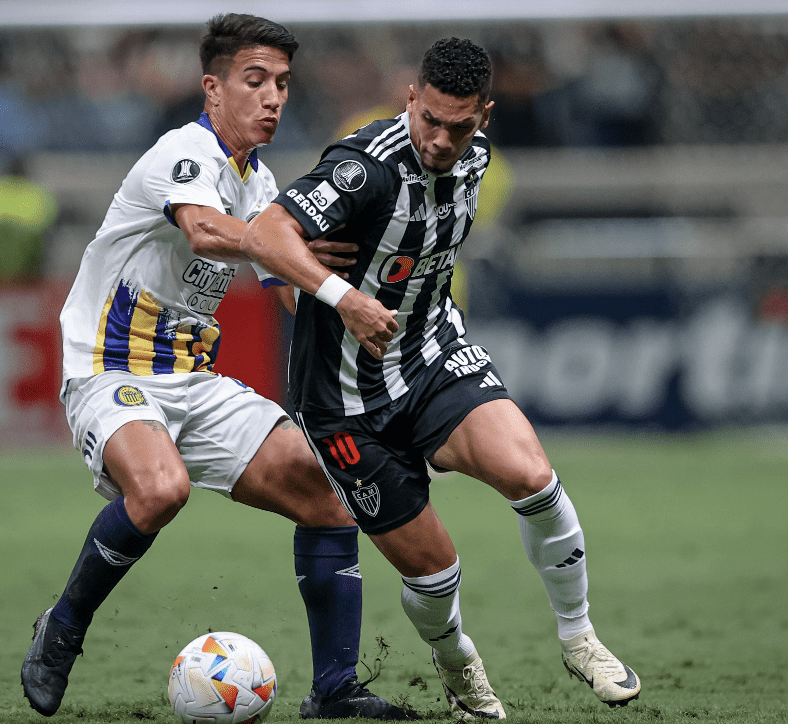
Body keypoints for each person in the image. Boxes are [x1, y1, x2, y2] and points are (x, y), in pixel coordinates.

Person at [240, 37, 640, 719]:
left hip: (429, 356)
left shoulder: (478, 160)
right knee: (435, 569)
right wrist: (340, 294)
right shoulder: (363, 169)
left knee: (533, 478)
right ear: (410, 101)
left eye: (459, 125)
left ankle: (580, 638)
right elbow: (266, 233)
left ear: (483, 115)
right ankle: (459, 665)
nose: (440, 139)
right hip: (342, 402)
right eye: (429, 119)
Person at [21, 14, 407, 720]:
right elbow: (206, 231)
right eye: (255, 81)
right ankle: (63, 627)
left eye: (283, 84)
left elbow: (291, 289)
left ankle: (334, 692)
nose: (273, 98)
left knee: (327, 492)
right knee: (162, 489)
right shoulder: (184, 153)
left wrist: (365, 341)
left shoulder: (258, 186)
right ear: (213, 87)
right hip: (111, 370)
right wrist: (287, 252)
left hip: (196, 381)